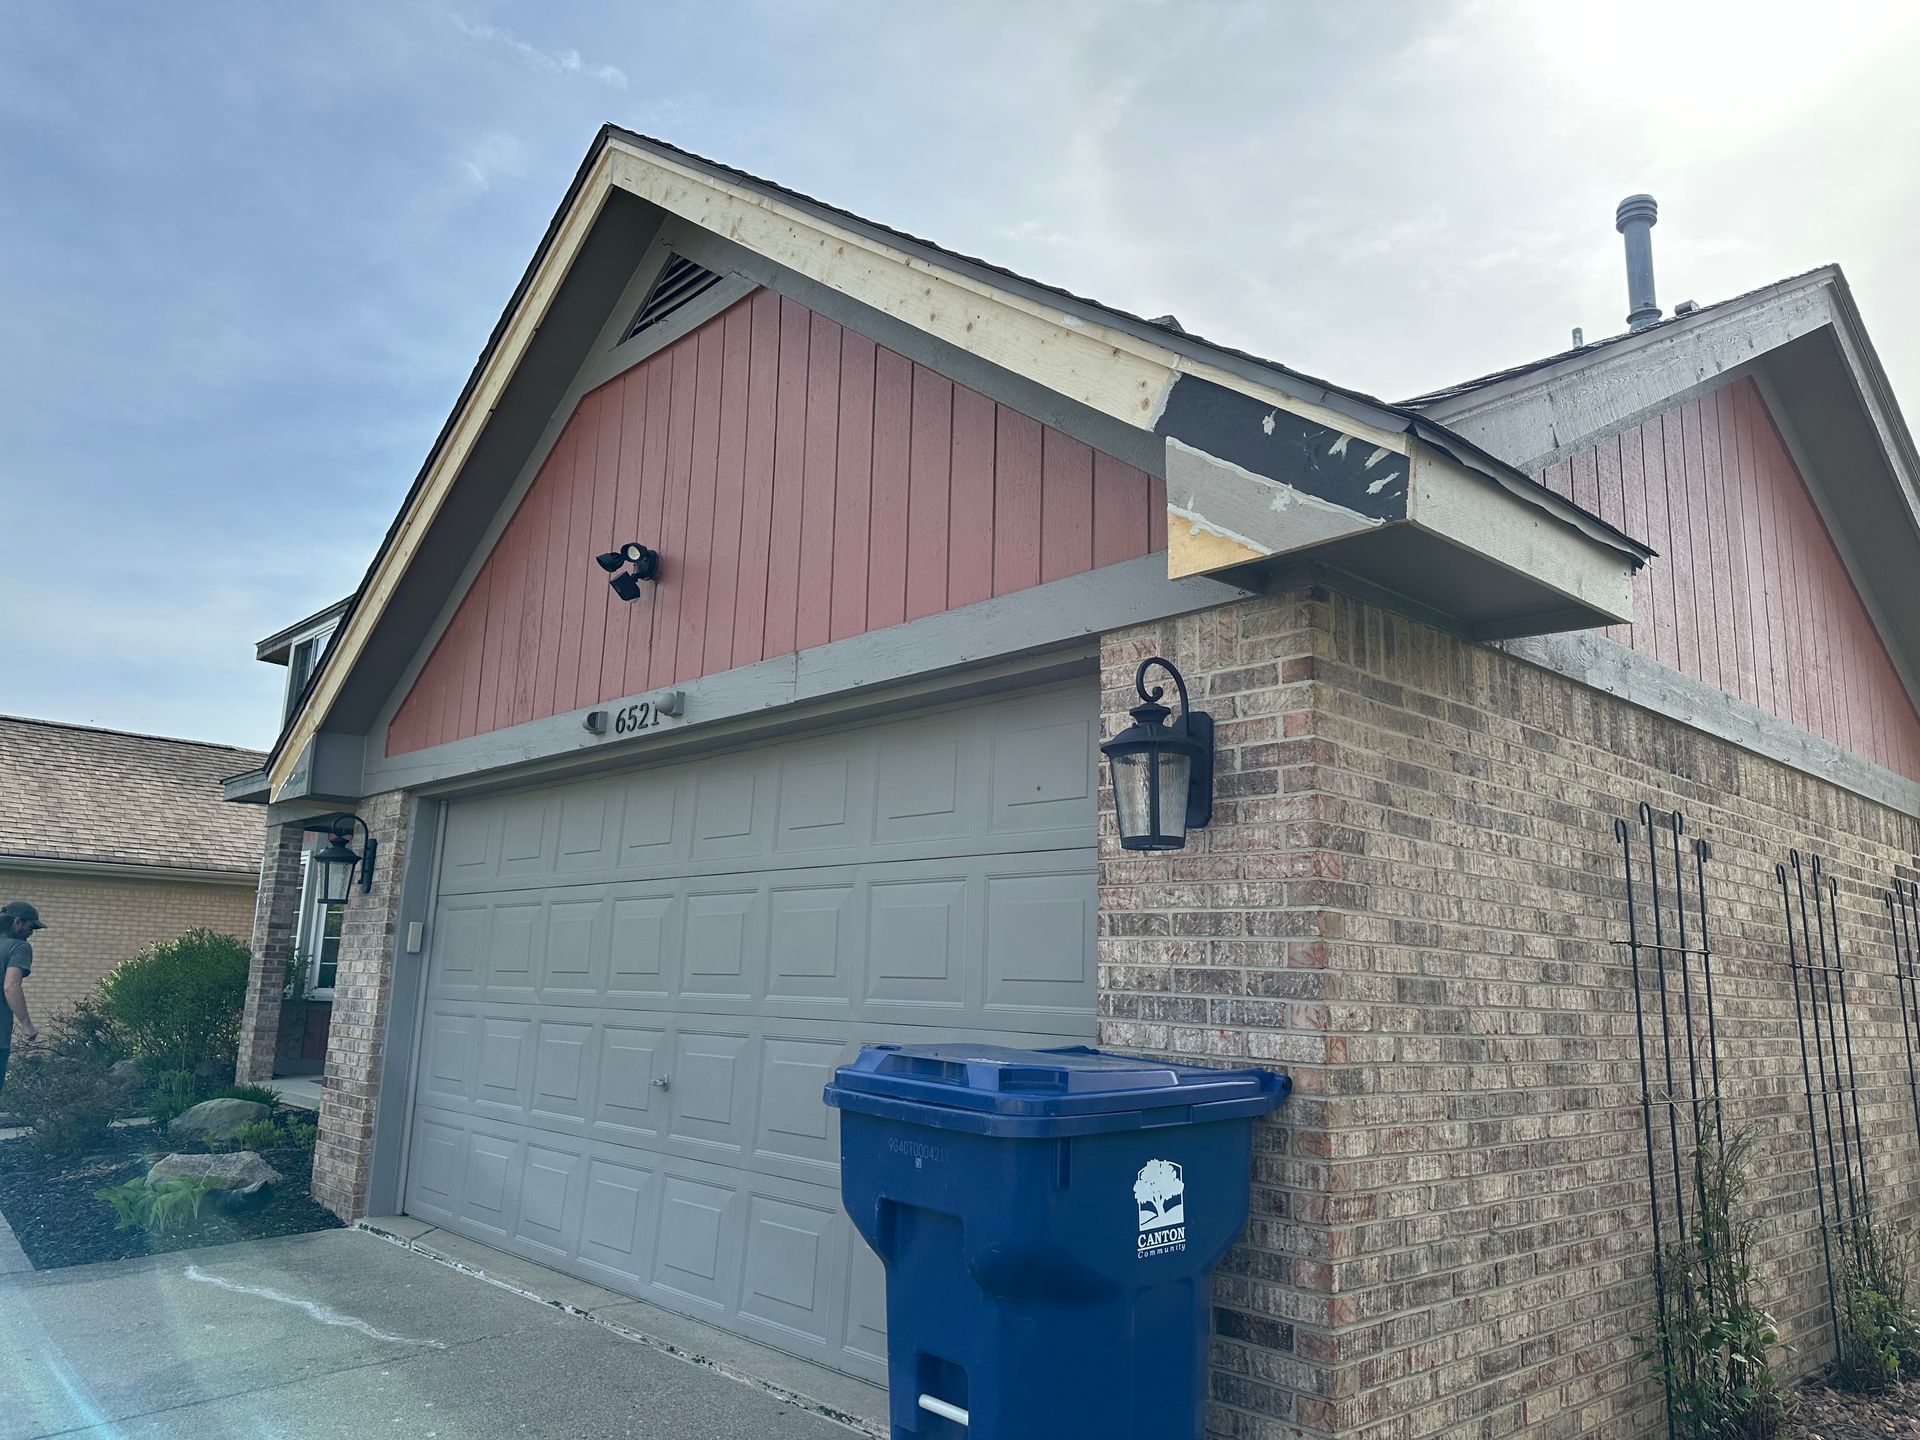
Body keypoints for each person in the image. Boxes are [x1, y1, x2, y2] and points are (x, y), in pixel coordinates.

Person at [0, 899, 44, 1096]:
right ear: (17, 922)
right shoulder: (19, 947)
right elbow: (10, 986)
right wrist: (27, 1024)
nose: (32, 931)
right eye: (31, 925)